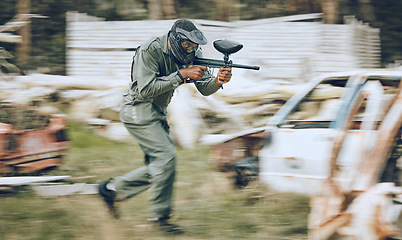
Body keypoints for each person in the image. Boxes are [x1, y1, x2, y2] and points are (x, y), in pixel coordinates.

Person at [98, 19, 232, 234]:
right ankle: (160, 218)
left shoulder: (190, 55)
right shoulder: (149, 50)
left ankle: (111, 189)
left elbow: (205, 89)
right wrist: (181, 75)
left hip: (157, 112)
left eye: (194, 46)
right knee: (166, 160)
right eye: (188, 45)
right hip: (137, 110)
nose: (191, 50)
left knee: (162, 167)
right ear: (176, 40)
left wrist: (217, 81)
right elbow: (145, 90)